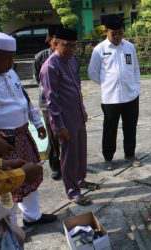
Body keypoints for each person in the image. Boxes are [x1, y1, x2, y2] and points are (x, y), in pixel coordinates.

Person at [0, 32, 57, 227]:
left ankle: (33, 216)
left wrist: (38, 124)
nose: (12, 62)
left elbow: (25, 100)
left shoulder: (11, 73)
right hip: (1, 142)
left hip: (22, 135)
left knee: (30, 177)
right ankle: (10, 226)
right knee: (6, 188)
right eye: (7, 57)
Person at [40, 27, 98, 206]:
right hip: (64, 118)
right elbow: (51, 100)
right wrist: (59, 126)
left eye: (74, 46)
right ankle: (72, 191)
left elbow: (77, 88)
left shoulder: (72, 60)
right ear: (56, 43)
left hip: (77, 114)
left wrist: (82, 109)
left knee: (80, 151)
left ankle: (80, 180)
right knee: (69, 155)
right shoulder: (50, 66)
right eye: (67, 45)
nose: (71, 49)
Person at [88, 14, 141, 170]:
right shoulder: (99, 50)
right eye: (113, 33)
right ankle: (108, 158)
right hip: (110, 98)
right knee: (110, 129)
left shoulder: (129, 47)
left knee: (130, 127)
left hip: (131, 96)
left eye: (120, 33)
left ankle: (130, 155)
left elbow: (136, 69)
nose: (117, 36)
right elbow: (92, 72)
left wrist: (135, 86)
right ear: (106, 31)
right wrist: (106, 84)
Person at [34, 25, 61, 180]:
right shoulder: (41, 57)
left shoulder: (68, 57)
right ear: (51, 39)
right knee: (53, 136)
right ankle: (55, 166)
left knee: (67, 136)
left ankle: (69, 164)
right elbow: (39, 80)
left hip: (64, 103)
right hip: (47, 104)